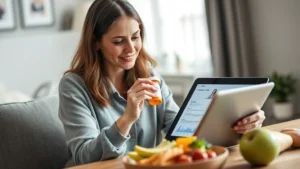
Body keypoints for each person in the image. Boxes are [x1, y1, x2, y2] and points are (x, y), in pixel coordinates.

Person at [58, 0, 266, 166]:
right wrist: (127, 118)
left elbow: (181, 131)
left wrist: (236, 125)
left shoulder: (148, 75)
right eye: (118, 41)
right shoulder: (74, 86)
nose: (131, 48)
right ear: (95, 42)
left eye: (135, 37)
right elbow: (84, 157)